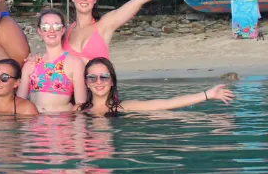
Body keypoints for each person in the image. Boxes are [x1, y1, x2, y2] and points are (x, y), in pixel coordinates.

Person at [65, 0, 195, 63]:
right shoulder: (64, 31)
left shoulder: (105, 24)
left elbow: (140, 0)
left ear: (95, 0)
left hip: (100, 92)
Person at [81, 57, 235, 114]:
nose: (99, 82)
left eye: (104, 76)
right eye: (93, 78)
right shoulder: (78, 110)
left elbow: (166, 104)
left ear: (112, 81)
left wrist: (208, 94)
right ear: (87, 83)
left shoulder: (123, 107)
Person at [17, 8, 87, 112]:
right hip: (33, 125)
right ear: (39, 31)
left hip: (62, 124)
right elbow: (19, 103)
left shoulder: (74, 63)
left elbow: (80, 105)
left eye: (56, 26)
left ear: (63, 30)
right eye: (45, 27)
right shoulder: (31, 63)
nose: (51, 30)